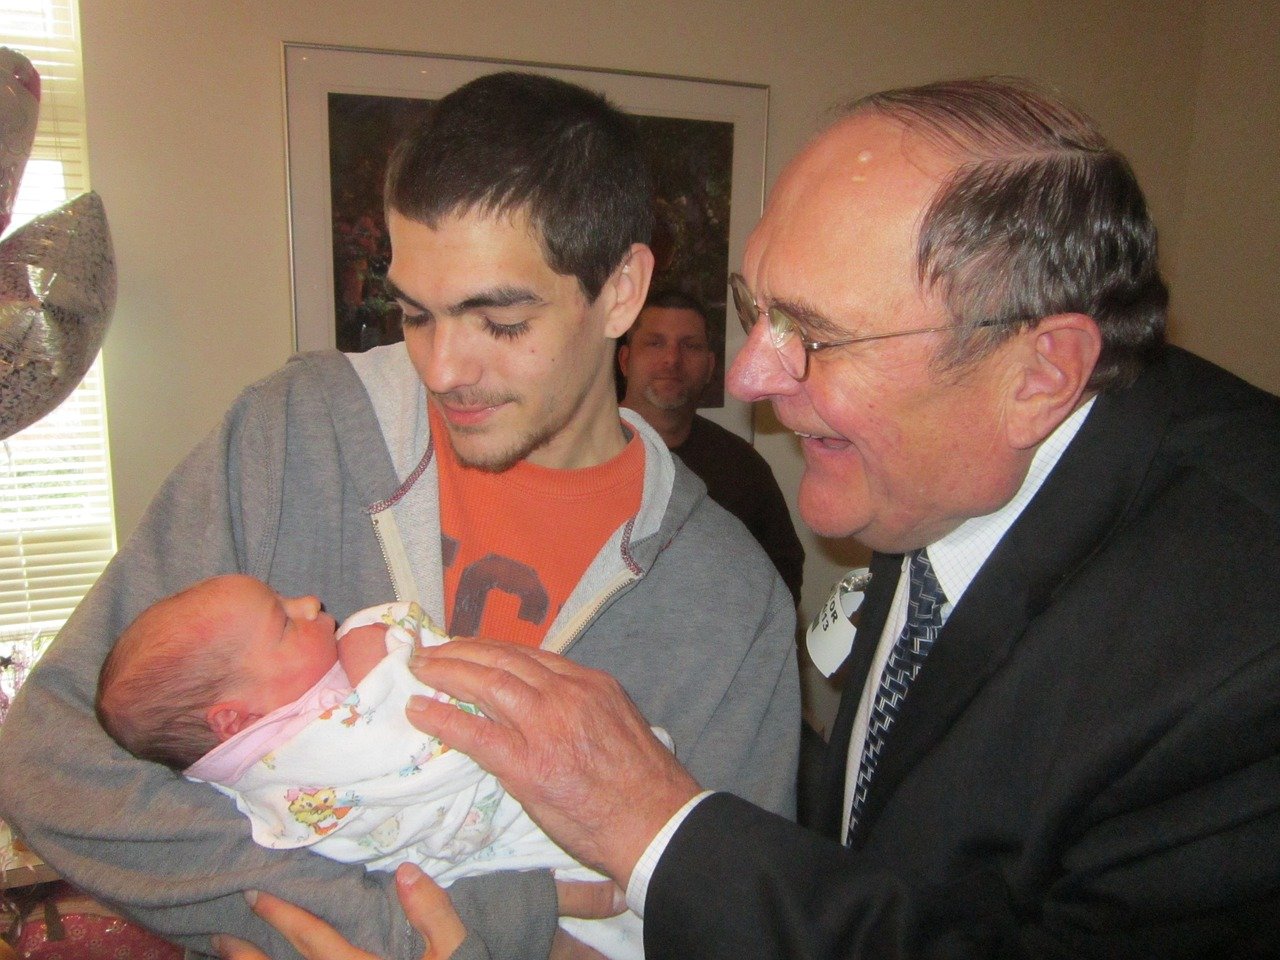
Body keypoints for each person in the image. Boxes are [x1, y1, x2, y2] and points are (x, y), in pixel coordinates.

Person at [370, 76, 1277, 958]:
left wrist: (656, 826)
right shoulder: (939, 465)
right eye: (756, 310)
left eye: (816, 335)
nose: (748, 377)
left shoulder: (1245, 658)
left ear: (1039, 375)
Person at [0, 70, 800, 960]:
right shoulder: (295, 435)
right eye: (415, 314)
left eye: (499, 322)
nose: (442, 369)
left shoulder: (730, 606)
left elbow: (733, 932)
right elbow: (50, 759)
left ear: (620, 289)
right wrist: (398, 931)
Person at [95, 574, 647, 960]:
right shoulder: (299, 757)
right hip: (536, 861)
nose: (309, 602)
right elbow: (427, 747)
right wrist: (379, 650)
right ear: (234, 719)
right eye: (284, 623)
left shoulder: (238, 780)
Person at [618, 289, 804, 603]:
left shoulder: (743, 469)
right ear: (625, 361)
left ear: (709, 366)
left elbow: (782, 581)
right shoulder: (577, 454)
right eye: (655, 343)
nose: (672, 360)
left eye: (690, 346)